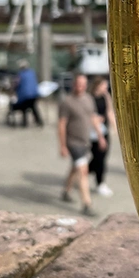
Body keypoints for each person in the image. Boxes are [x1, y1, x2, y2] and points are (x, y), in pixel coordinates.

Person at [58, 73, 107, 217]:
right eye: (77, 84)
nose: (80, 87)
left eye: (82, 84)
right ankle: (87, 204)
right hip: (73, 142)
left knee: (75, 168)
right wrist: (62, 145)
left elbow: (92, 118)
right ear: (74, 84)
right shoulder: (67, 102)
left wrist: (100, 136)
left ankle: (66, 191)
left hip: (85, 141)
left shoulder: (88, 99)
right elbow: (61, 125)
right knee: (83, 171)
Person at [89, 76, 117, 198]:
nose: (106, 88)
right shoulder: (90, 99)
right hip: (93, 132)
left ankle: (83, 172)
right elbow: (92, 117)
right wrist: (100, 136)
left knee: (102, 156)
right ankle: (100, 184)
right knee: (98, 157)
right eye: (104, 86)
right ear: (97, 86)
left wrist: (115, 127)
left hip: (104, 130)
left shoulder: (106, 96)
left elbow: (109, 112)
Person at [8, 60, 43, 127]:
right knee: (33, 107)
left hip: (25, 95)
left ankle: (24, 123)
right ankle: (39, 122)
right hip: (34, 94)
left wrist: (12, 90)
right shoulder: (32, 73)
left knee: (24, 108)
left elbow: (16, 84)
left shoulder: (20, 74)